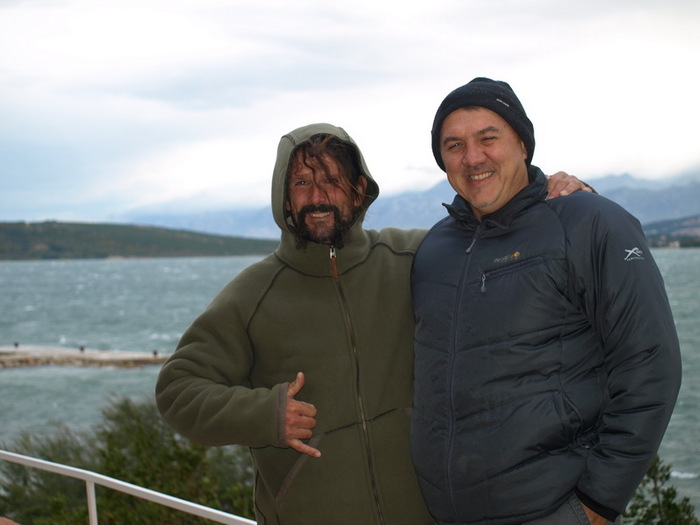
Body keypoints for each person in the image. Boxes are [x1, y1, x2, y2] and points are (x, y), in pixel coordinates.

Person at [155, 123, 587, 525]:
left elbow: (509, 248)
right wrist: (265, 415)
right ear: (284, 199)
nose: (317, 196)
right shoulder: (252, 296)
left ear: (359, 190)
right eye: (302, 183)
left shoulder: (417, 257)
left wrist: (569, 201)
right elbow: (177, 390)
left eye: (332, 180)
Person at [410, 77, 682, 525]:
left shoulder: (589, 221)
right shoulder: (434, 248)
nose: (472, 157)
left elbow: (651, 365)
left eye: (488, 138)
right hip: (446, 513)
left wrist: (597, 504)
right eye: (454, 145)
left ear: (522, 143)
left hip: (556, 509)